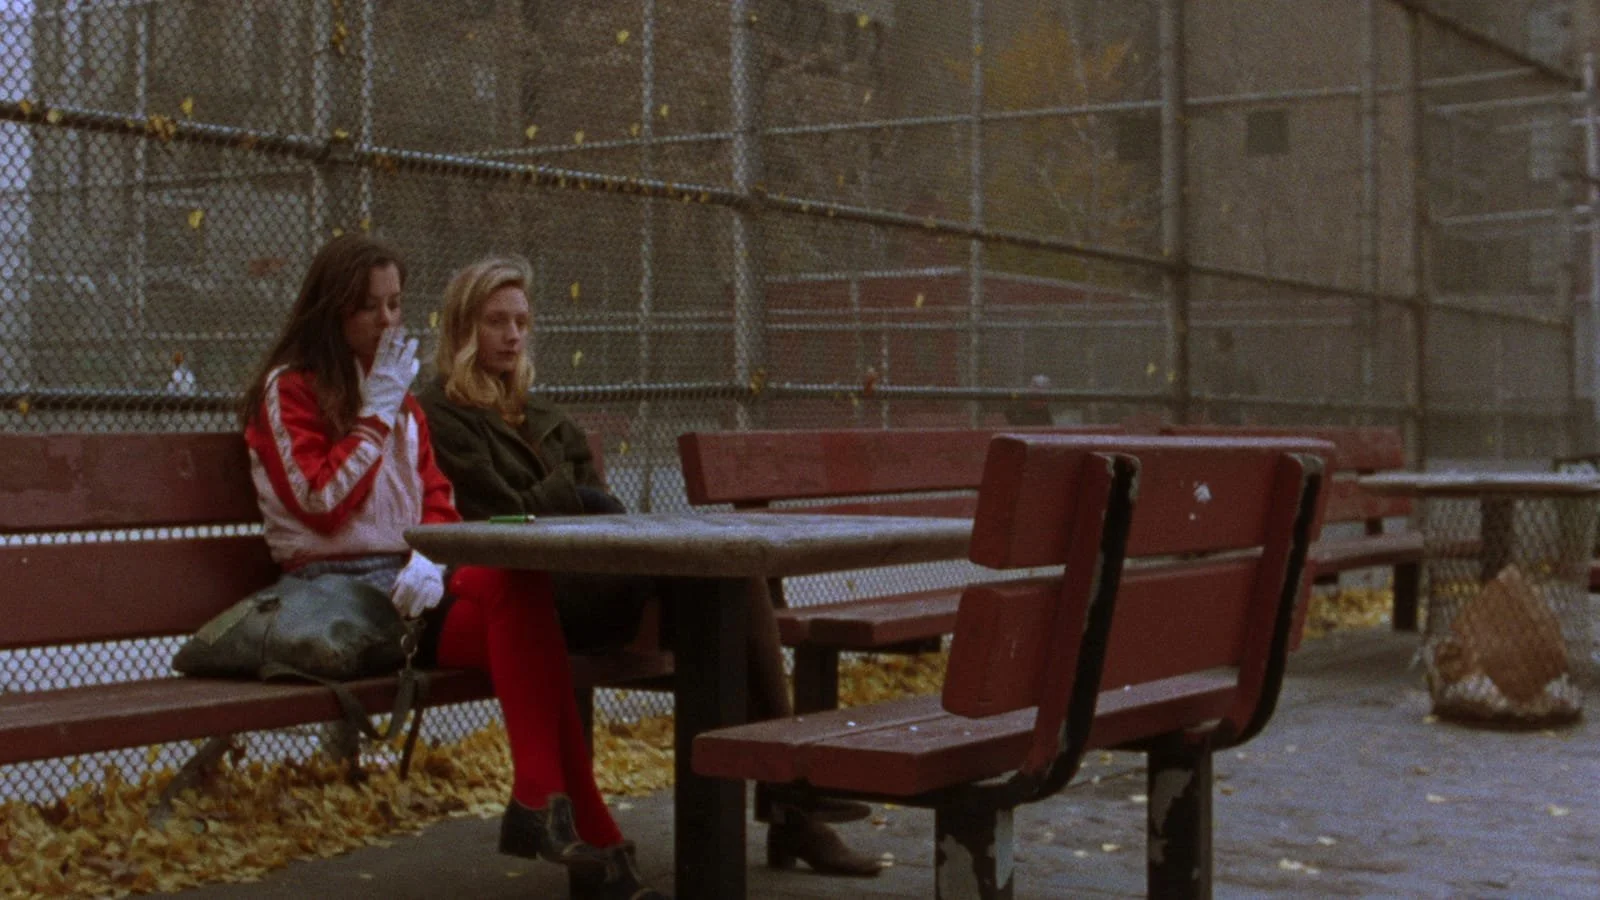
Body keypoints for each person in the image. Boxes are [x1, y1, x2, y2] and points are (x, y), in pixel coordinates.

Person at [415, 255, 883, 878]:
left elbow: (585, 498)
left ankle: (790, 792)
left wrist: (574, 499)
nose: (513, 335)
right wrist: (574, 495)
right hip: (535, 596)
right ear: (462, 328)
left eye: (521, 322)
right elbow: (497, 515)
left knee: (732, 577)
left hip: (593, 578)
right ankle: (788, 794)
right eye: (496, 321)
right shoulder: (441, 414)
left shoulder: (537, 411)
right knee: (720, 594)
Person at [239, 235, 666, 900]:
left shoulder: (397, 399)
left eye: (395, 304)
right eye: (369, 307)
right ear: (331, 311)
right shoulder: (290, 390)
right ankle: (588, 831)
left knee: (520, 590)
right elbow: (320, 502)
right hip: (336, 597)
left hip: (411, 592)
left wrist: (428, 557)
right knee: (535, 641)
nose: (387, 321)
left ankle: (541, 805)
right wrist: (373, 418)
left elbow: (437, 501)